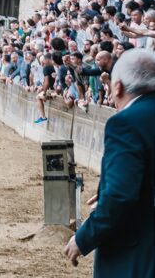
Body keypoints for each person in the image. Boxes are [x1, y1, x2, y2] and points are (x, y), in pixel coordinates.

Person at [64, 49, 154, 277]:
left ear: (117, 87)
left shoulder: (125, 123)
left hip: (139, 252)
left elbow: (120, 196)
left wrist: (83, 238)